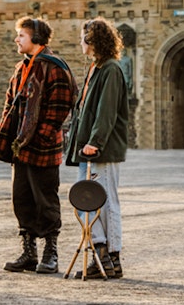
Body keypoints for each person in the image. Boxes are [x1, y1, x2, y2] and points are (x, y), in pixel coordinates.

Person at [0, 17, 77, 275]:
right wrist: (10, 138)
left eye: (21, 35)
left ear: (36, 38)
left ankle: (51, 253)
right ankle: (29, 253)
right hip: (21, 147)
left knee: (46, 200)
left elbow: (59, 108)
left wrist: (39, 137)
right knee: (22, 199)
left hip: (42, 148)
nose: (17, 40)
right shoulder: (22, 68)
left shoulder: (55, 68)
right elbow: (11, 103)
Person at [65, 17, 129, 279]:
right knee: (87, 203)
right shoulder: (96, 68)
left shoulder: (111, 70)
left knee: (106, 202)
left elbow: (106, 111)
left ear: (92, 41)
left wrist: (95, 142)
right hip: (87, 149)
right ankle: (100, 252)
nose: (80, 43)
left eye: (83, 38)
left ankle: (110, 256)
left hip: (101, 149)